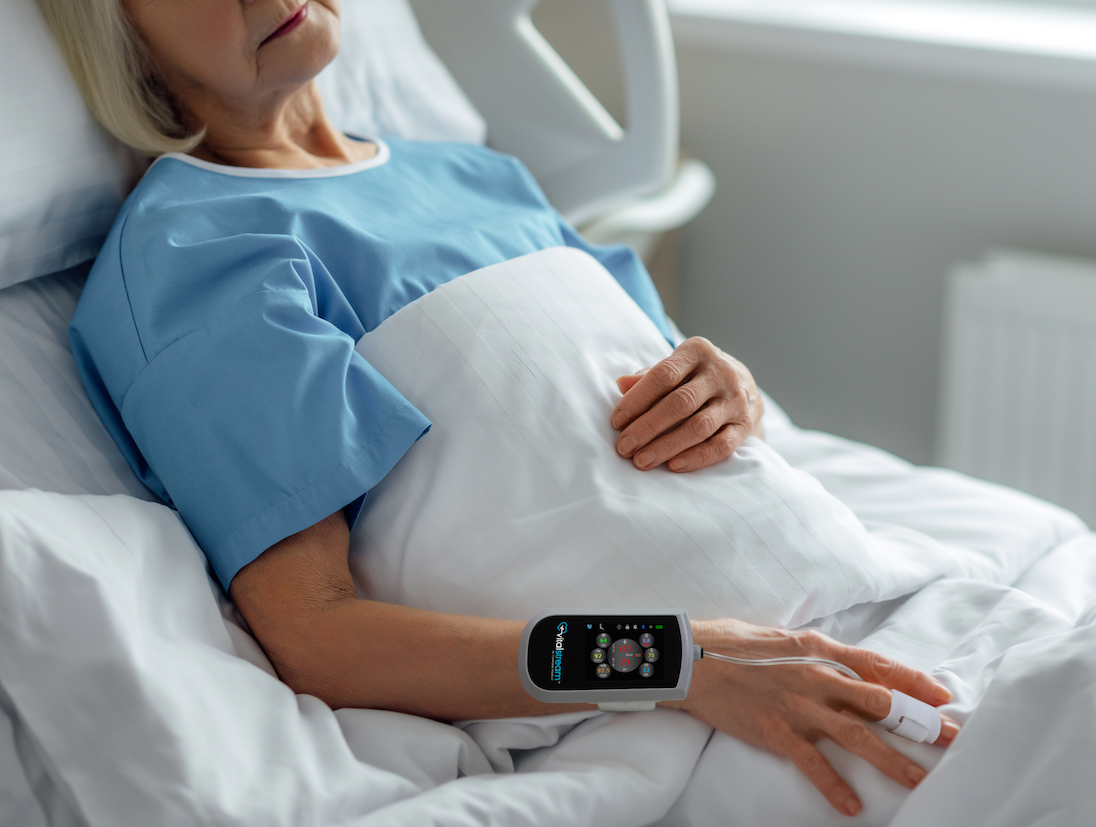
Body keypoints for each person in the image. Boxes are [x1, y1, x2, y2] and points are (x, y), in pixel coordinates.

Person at [38, 0, 958, 817]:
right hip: (687, 704)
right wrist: (662, 659)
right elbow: (319, 636)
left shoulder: (479, 176)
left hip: (869, 599)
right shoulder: (197, 252)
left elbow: (654, 399)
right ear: (118, 28)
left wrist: (732, 391)